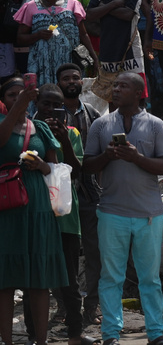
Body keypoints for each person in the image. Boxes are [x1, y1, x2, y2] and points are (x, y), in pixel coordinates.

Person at [83, 73, 163, 345]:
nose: (116, 90)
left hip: (149, 213)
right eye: (115, 86)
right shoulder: (100, 125)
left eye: (123, 86)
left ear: (139, 92)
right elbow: (87, 166)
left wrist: (136, 157)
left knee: (150, 278)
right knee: (111, 276)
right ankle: (111, 334)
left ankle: (156, 333)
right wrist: (107, 156)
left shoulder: (156, 125)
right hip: (111, 211)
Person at [0, 86, 67, 345]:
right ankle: (6, 340)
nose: (18, 98)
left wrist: (40, 165)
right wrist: (20, 105)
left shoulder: (40, 127)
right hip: (7, 210)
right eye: (11, 95)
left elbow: (54, 166)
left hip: (37, 207)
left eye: (23, 93)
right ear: (3, 101)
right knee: (4, 280)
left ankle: (42, 341)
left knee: (40, 280)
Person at [56, 63, 102, 322]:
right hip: (60, 196)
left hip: (90, 193)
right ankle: (65, 307)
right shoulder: (50, 113)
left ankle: (92, 307)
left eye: (76, 77)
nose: (72, 81)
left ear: (82, 82)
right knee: (65, 255)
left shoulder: (93, 113)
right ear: (59, 82)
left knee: (95, 253)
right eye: (66, 78)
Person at [15, 0, 97, 86]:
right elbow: (20, 38)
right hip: (42, 63)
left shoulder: (72, 4)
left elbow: (83, 34)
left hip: (69, 60)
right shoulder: (30, 7)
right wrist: (38, 35)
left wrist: (94, 57)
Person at [88, 0, 146, 98]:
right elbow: (90, 15)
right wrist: (114, 3)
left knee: (136, 93)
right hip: (108, 46)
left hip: (130, 47)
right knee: (112, 95)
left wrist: (103, 7)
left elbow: (128, 15)